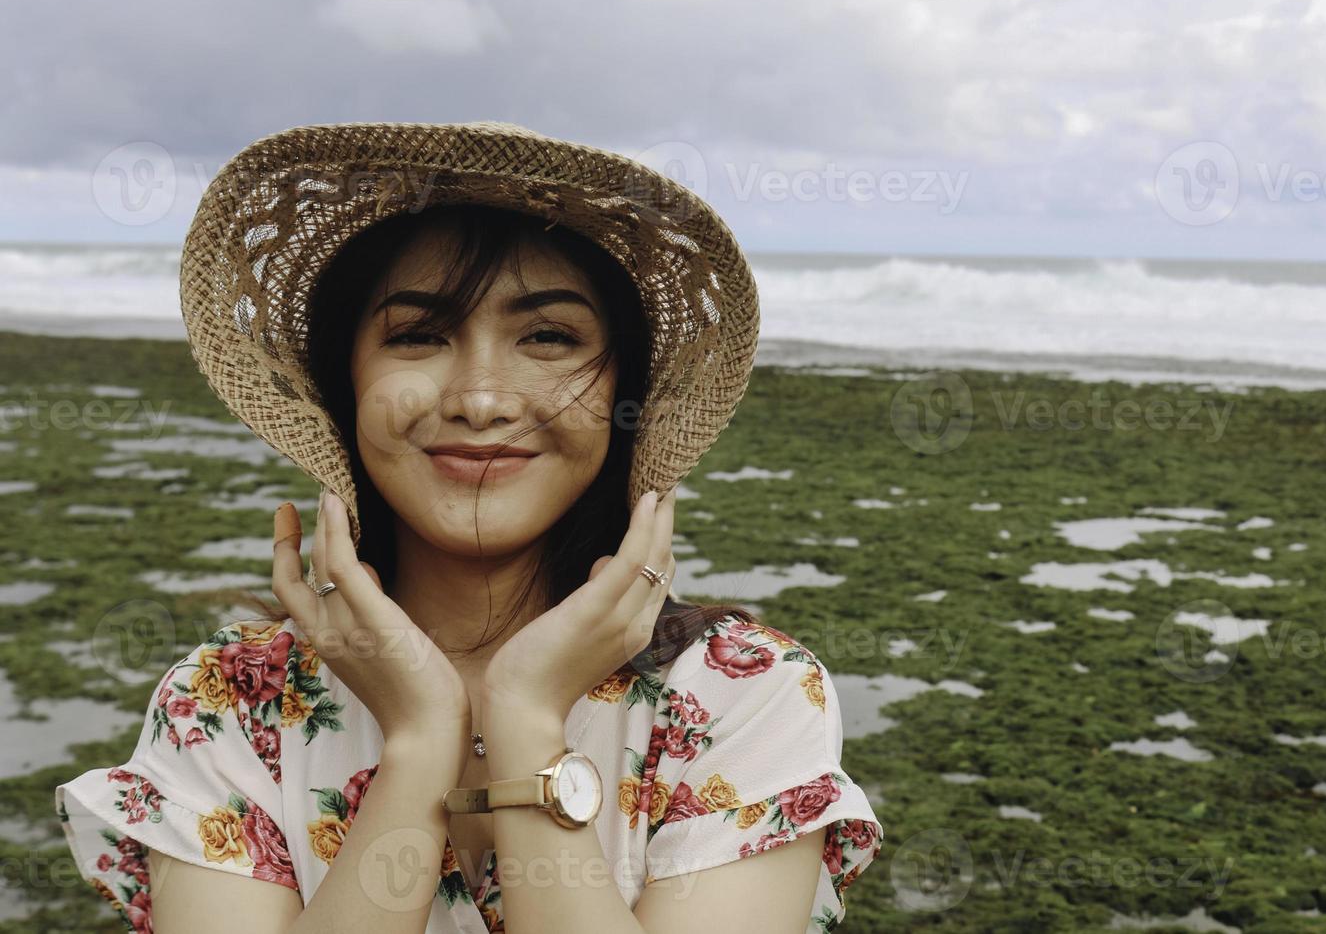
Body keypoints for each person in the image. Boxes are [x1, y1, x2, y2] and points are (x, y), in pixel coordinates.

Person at [53, 121, 883, 934]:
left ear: (624, 392)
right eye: (417, 335)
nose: (481, 399)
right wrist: (417, 743)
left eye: (549, 338)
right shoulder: (228, 704)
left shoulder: (743, 695)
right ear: (339, 386)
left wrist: (525, 719)